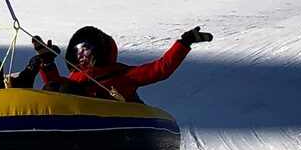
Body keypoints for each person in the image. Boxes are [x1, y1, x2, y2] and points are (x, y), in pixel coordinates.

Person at [36, 22, 211, 103]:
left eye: (85, 49)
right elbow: (56, 85)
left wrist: (184, 43)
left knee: (69, 89)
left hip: (113, 116)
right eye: (78, 51)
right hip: (78, 116)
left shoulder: (121, 73)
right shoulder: (76, 77)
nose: (81, 55)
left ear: (98, 49)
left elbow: (160, 69)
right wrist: (47, 63)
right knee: (54, 89)